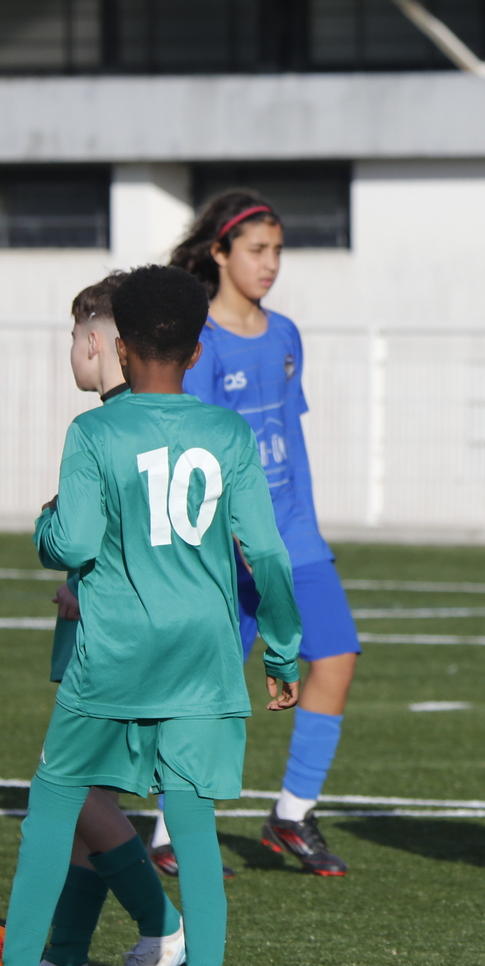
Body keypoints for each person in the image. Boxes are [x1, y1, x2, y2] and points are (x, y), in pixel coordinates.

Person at [0, 265, 302, 966]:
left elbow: (74, 540)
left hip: (116, 656)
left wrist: (44, 528)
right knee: (193, 830)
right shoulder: (227, 434)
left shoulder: (93, 433)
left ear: (120, 350)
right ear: (197, 353)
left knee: (53, 809)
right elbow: (265, 549)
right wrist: (286, 650)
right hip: (202, 656)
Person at [148, 189, 357, 878]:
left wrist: (305, 526)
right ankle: (168, 832)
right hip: (224, 541)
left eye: (278, 251)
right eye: (256, 250)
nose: (270, 263)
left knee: (336, 658)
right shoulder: (201, 342)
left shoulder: (286, 334)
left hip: (293, 534)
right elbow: (197, 451)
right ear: (219, 252)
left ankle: (291, 814)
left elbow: (288, 435)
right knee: (213, 688)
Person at [34, 272, 189, 966]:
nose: (71, 350)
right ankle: (65, 960)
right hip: (129, 636)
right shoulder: (153, 420)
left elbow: (92, 536)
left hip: (116, 643)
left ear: (99, 341)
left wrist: (55, 534)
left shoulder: (108, 429)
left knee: (69, 788)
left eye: (73, 337)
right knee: (85, 800)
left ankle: (163, 926)